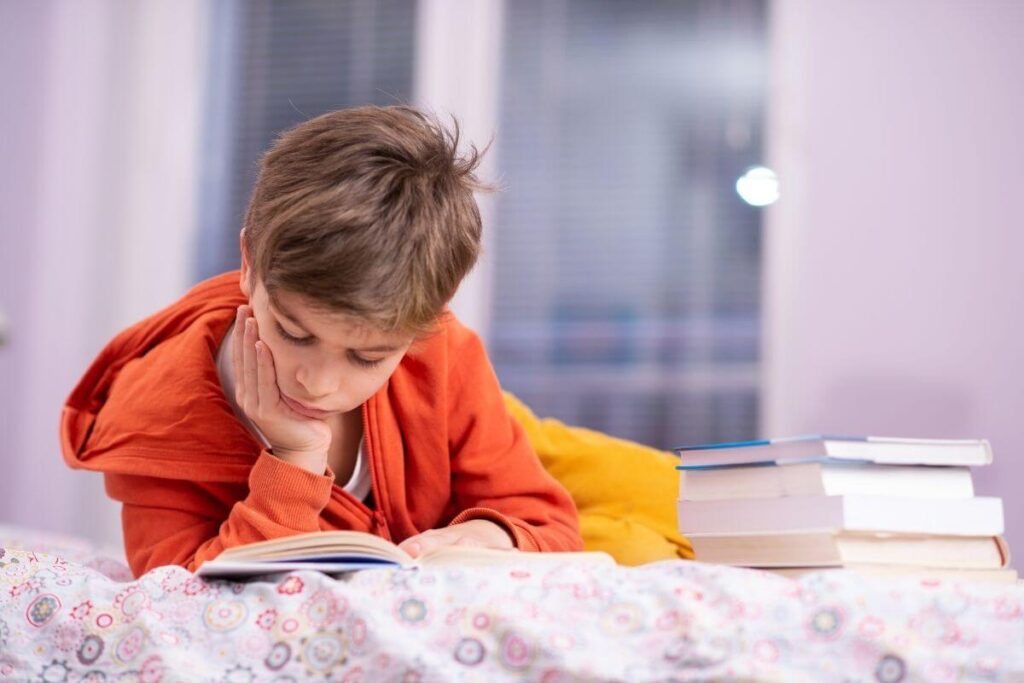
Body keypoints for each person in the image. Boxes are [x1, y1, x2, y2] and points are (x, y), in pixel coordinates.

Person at [60, 106, 583, 578]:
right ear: (248, 265)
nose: (317, 382)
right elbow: (184, 607)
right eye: (294, 332)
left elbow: (551, 525)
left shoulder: (443, 352)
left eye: (368, 357)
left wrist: (493, 536)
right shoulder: (157, 416)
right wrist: (293, 461)